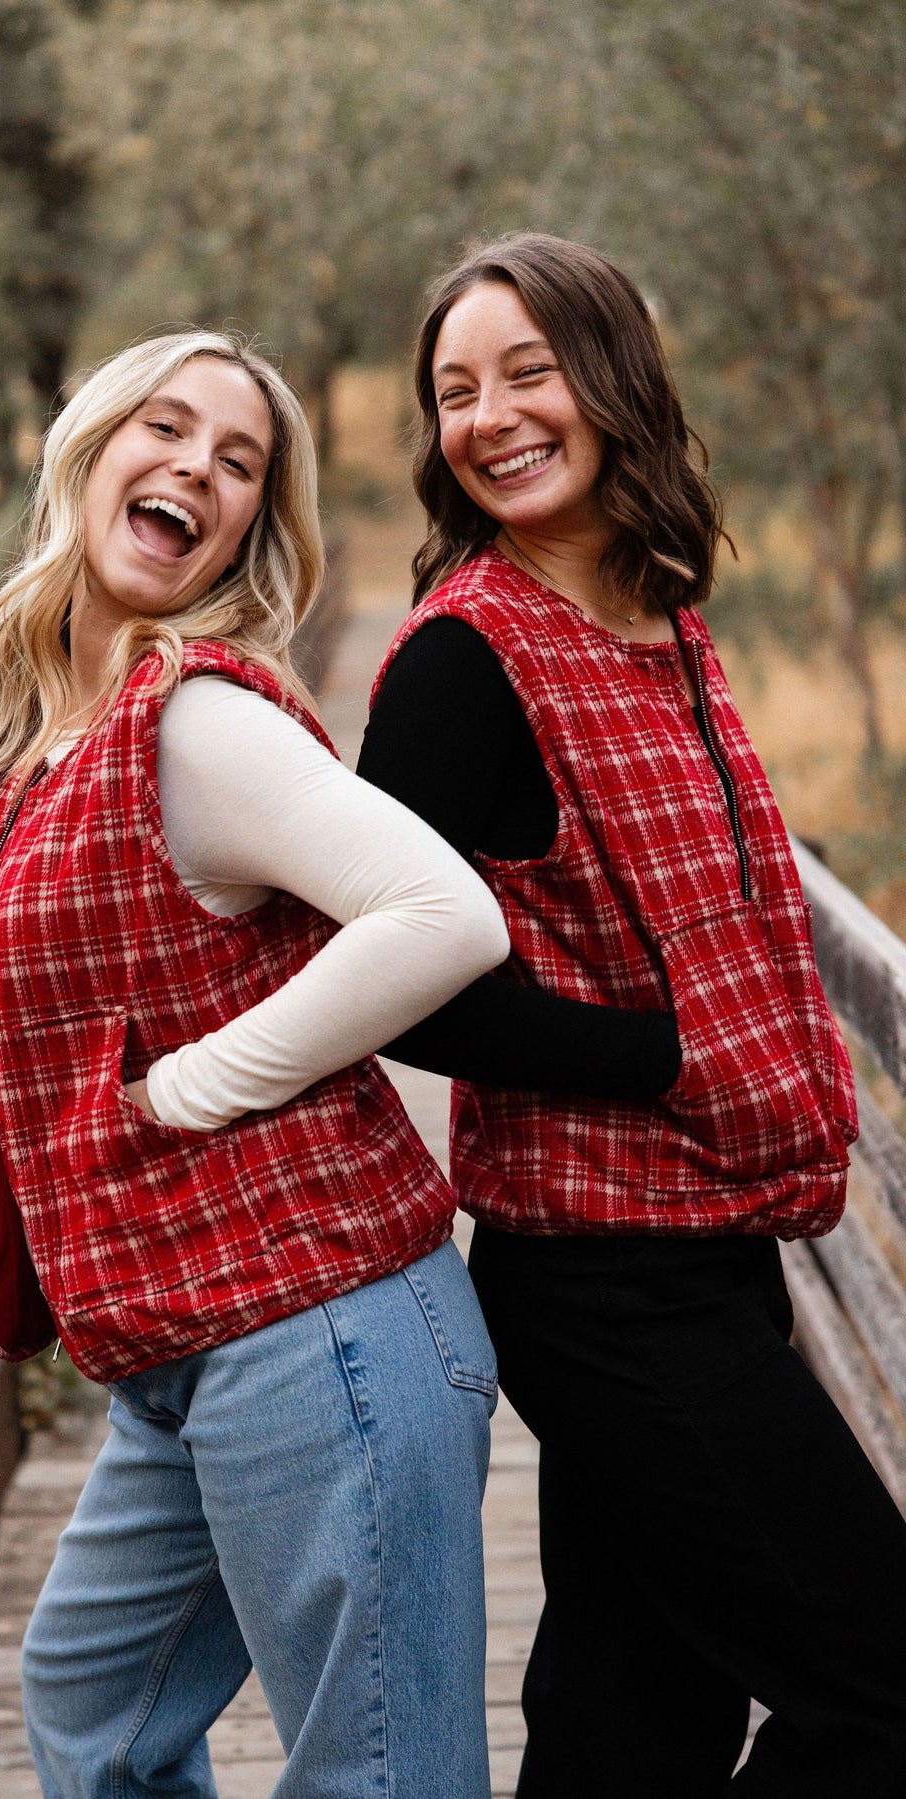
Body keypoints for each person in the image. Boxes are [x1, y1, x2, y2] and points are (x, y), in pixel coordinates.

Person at [0, 329, 520, 1799]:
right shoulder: (49, 750)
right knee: (89, 1712)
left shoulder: (192, 722)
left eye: (239, 459)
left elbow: (448, 915)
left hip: (322, 1331)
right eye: (166, 428)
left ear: (249, 527)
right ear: (89, 454)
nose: (197, 464)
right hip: (182, 1349)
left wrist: (200, 1084)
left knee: (372, 1779)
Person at [358, 232, 906, 1798]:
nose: (491, 414)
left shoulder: (665, 617)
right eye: (456, 390)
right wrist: (654, 1053)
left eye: (526, 371)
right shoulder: (468, 658)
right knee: (881, 1689)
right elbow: (391, 976)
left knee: (631, 1719)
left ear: (612, 381)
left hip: (715, 1243)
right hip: (605, 1277)